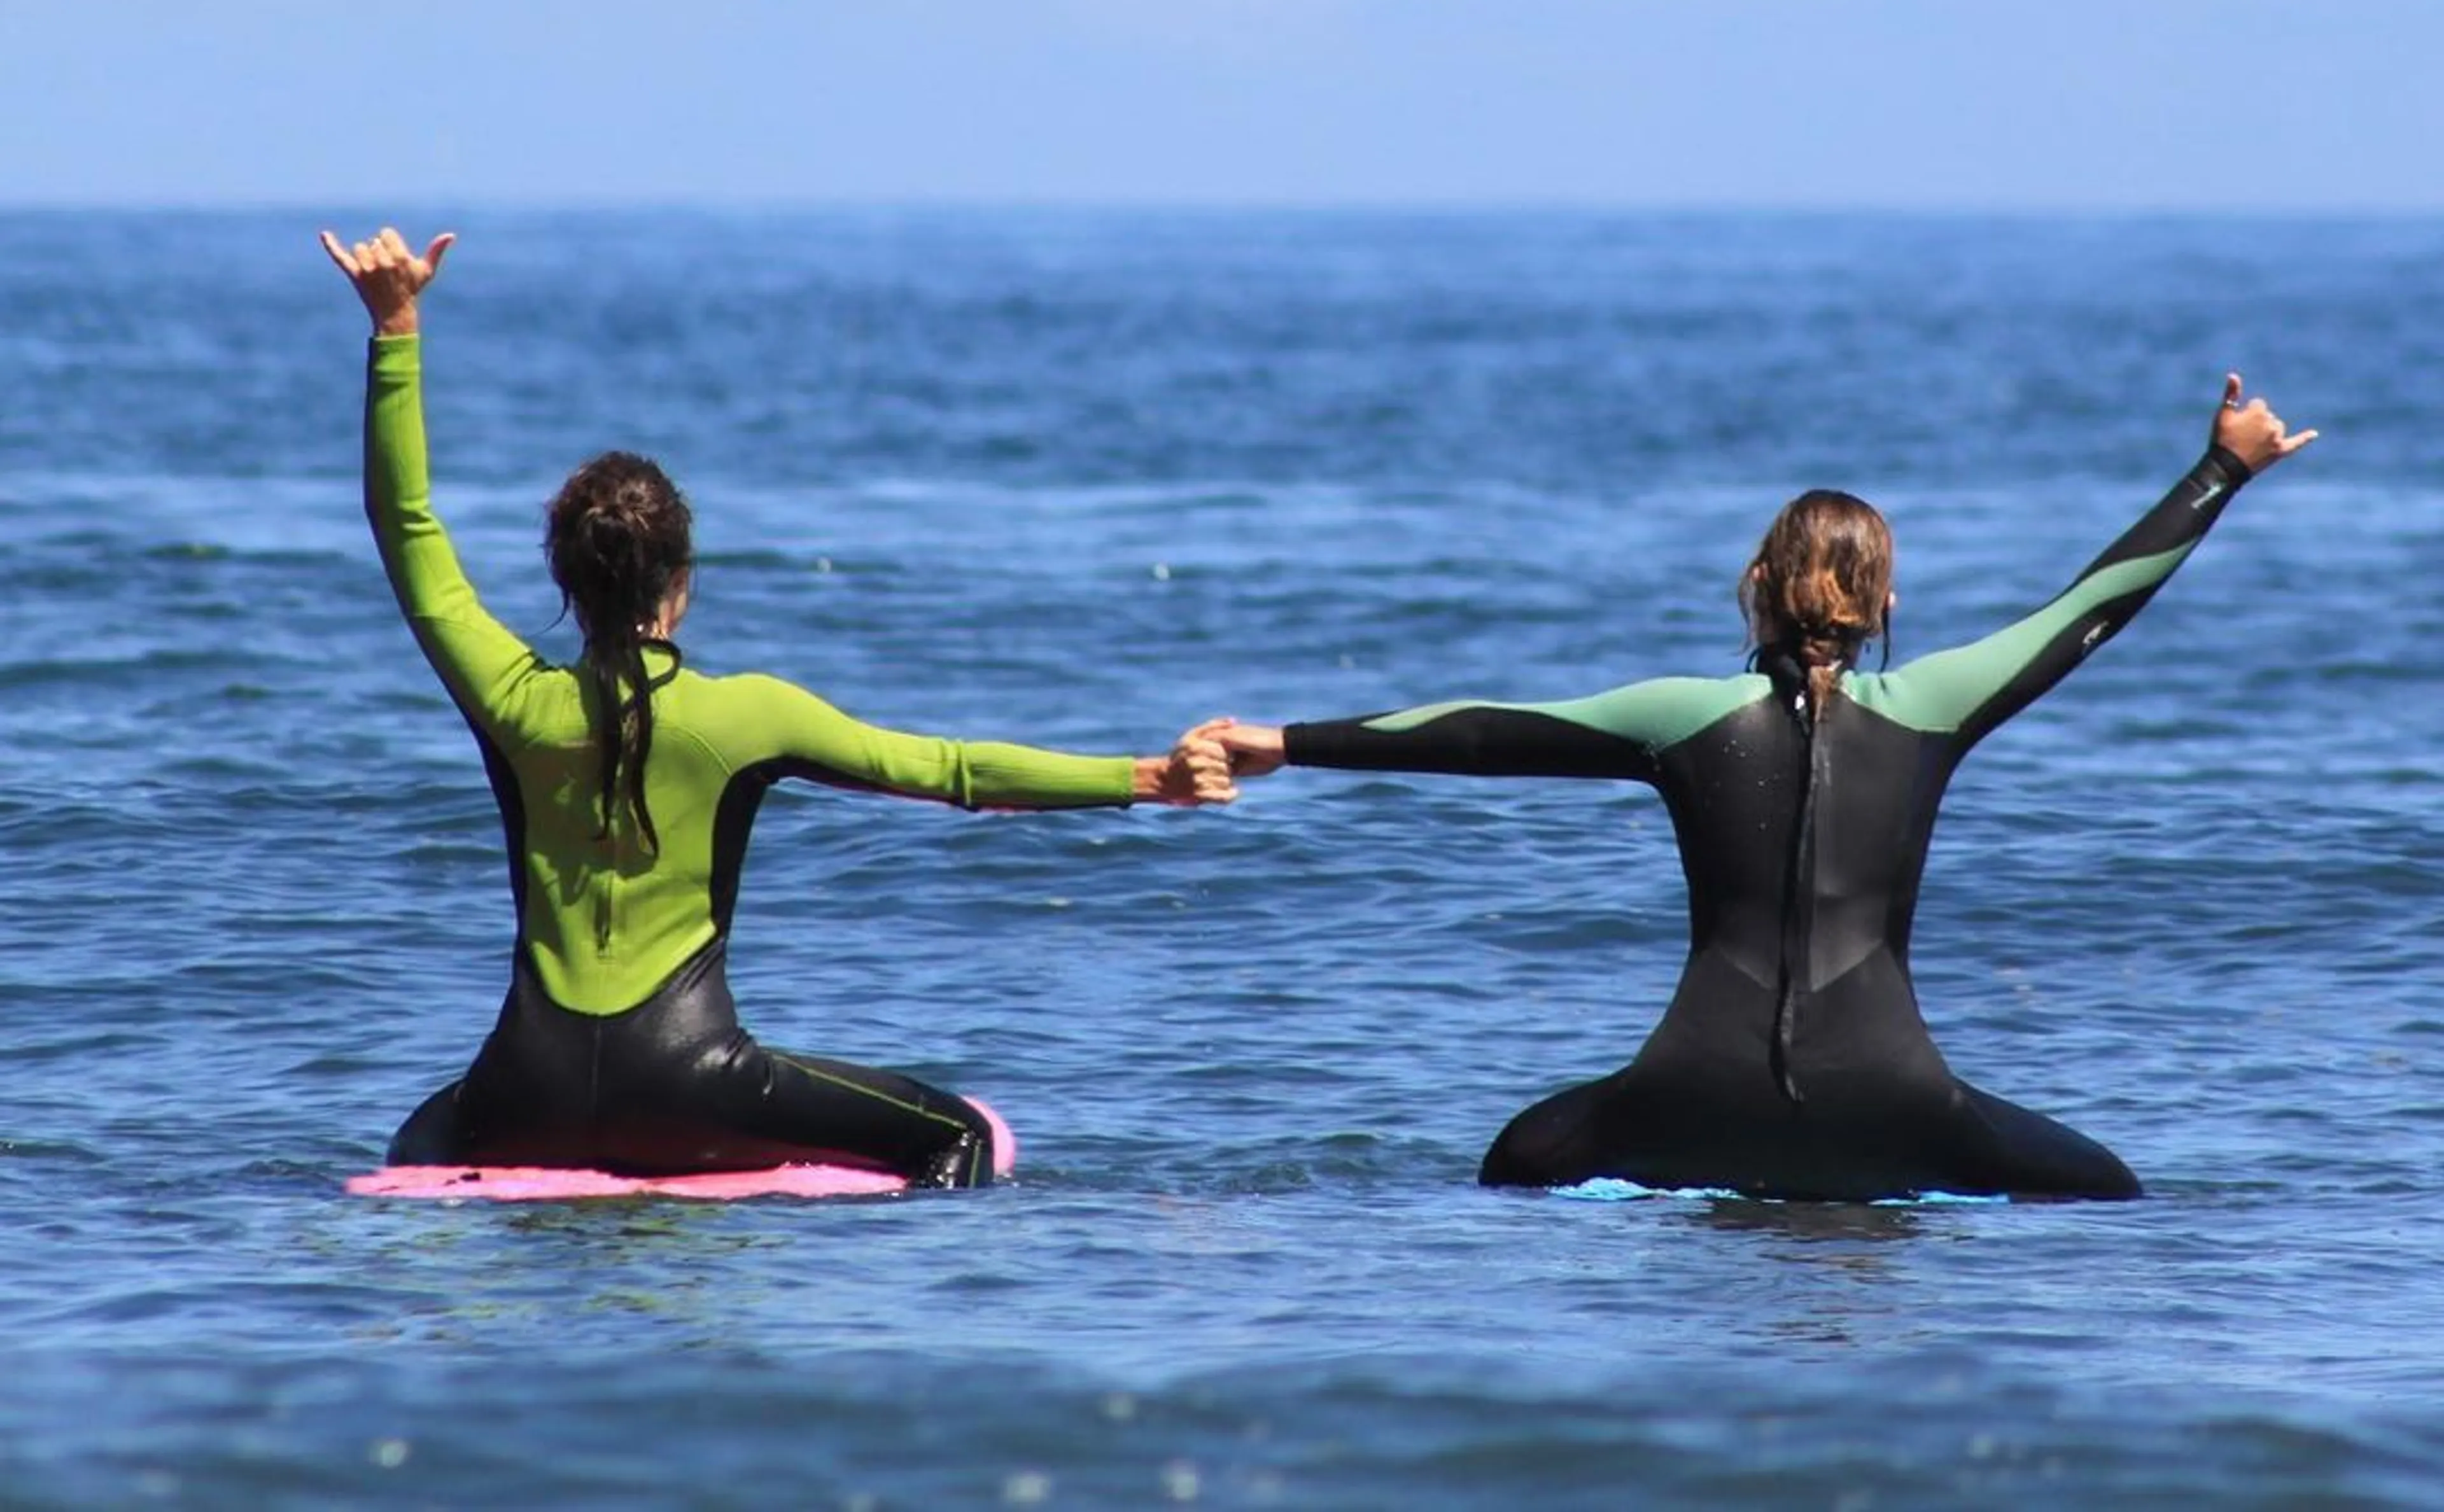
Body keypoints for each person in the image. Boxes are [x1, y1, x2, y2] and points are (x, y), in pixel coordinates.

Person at [1216, 379, 2315, 1201]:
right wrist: (2221, 471)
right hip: (1896, 1105)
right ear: (1884, 604)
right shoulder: (1935, 701)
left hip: (1687, 1099)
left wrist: (1287, 741)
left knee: (1518, 1160)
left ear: (1754, 586)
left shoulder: (1681, 714)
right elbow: (2092, 608)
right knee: (2110, 1190)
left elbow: (1479, 734)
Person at [325, 226, 1235, 1189]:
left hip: (523, 1093)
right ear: (681, 582)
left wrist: (397, 327)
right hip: (690, 1084)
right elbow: (949, 771)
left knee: (413, 1148)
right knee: (957, 1133)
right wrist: (1147, 778)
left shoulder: (511, 695)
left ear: (563, 575)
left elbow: (406, 524)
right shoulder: (749, 716)